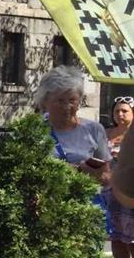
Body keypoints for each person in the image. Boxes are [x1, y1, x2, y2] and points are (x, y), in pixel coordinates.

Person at [37, 66, 110, 223]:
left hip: (84, 212)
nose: (67, 107)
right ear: (45, 101)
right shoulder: (34, 130)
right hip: (45, 211)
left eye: (72, 100)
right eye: (60, 101)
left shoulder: (94, 130)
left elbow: (107, 177)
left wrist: (96, 174)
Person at [106, 96, 134, 258]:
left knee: (132, 238)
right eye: (117, 111)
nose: (120, 114)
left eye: (125, 111)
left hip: (130, 191)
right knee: (116, 237)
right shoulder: (105, 133)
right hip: (110, 191)